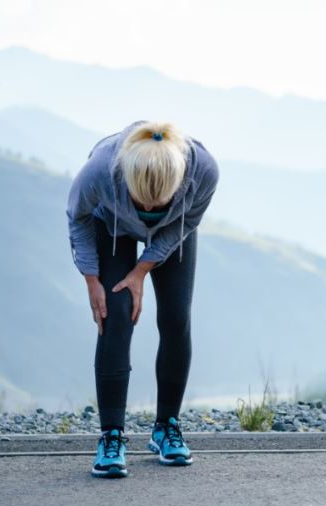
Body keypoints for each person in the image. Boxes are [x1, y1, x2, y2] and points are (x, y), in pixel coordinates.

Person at [65, 119, 220, 478]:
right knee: (114, 313)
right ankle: (111, 436)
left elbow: (189, 222)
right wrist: (92, 280)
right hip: (111, 225)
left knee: (176, 317)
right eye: (142, 202)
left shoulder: (204, 172)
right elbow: (77, 218)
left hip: (174, 230)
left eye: (158, 204)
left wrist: (141, 270)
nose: (148, 210)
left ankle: (167, 426)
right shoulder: (100, 171)